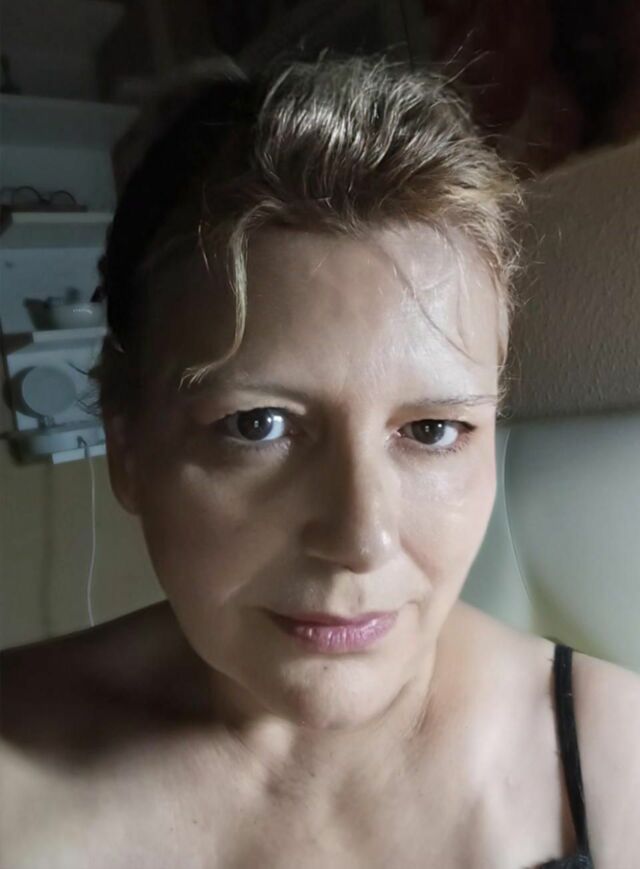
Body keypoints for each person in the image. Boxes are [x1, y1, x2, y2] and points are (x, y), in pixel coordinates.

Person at [1, 53, 639, 868]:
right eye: (257, 424)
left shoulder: (620, 765)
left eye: (432, 429)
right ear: (126, 446)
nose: (360, 538)